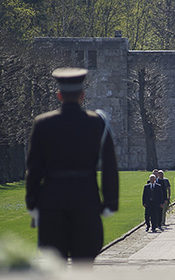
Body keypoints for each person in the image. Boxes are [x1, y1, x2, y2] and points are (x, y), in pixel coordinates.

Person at [25, 67, 119, 264]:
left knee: (55, 267)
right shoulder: (97, 123)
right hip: (86, 201)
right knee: (84, 266)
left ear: (59, 95)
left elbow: (33, 169)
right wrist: (110, 202)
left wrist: (32, 202)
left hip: (52, 202)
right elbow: (109, 166)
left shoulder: (42, 124)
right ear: (82, 95)